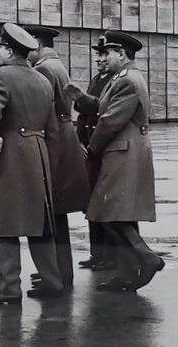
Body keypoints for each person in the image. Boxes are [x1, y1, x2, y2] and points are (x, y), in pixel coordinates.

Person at [0, 23, 64, 305]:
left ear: (8, 50)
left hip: (12, 155)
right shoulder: (42, 80)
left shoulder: (1, 77)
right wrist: (49, 162)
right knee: (40, 222)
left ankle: (9, 287)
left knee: (4, 221)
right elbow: (53, 129)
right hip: (38, 153)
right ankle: (52, 281)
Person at [65, 30, 164, 293]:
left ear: (121, 54)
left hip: (123, 151)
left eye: (107, 53)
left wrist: (92, 148)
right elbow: (103, 107)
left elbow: (110, 120)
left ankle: (147, 258)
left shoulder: (127, 80)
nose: (103, 58)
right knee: (120, 213)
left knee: (108, 212)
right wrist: (83, 100)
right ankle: (127, 273)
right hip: (124, 150)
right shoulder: (122, 78)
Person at [24, 25, 91, 290]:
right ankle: (62, 272)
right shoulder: (57, 65)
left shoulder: (42, 69)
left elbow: (40, 111)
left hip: (54, 142)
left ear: (36, 44)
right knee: (58, 213)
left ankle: (56, 274)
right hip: (66, 139)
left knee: (49, 213)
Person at [71, 36, 116, 271]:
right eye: (97, 55)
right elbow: (83, 115)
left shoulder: (114, 81)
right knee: (91, 203)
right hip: (90, 148)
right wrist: (78, 140)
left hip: (102, 148)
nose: (99, 60)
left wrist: (82, 100)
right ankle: (96, 253)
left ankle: (109, 256)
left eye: (103, 55)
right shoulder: (97, 79)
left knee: (104, 204)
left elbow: (99, 109)